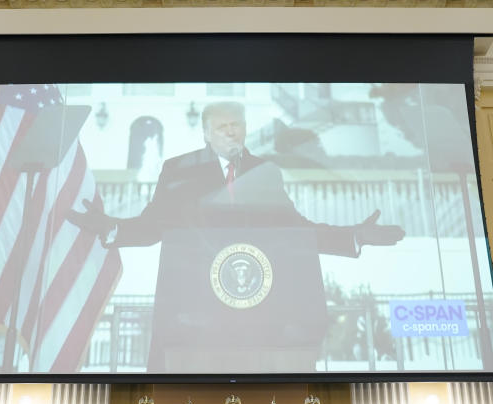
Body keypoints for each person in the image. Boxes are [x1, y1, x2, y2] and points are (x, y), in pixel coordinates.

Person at [71, 101, 405, 372]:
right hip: (194, 314)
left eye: (237, 126)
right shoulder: (179, 170)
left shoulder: (265, 172)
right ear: (205, 132)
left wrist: (353, 237)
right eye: (222, 126)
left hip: (255, 317)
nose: (232, 132)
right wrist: (111, 227)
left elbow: (296, 230)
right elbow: (153, 226)